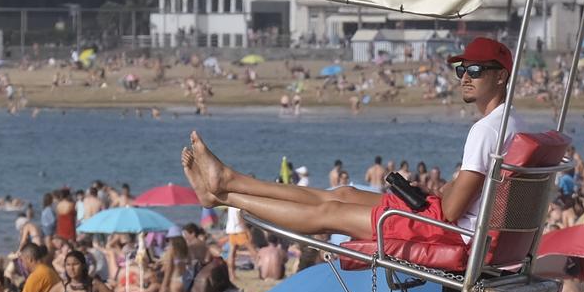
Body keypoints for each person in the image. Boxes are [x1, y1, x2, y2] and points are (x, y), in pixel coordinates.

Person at [180, 37, 521, 244]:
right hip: (456, 226)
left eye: (476, 71)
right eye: (463, 70)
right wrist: (446, 189)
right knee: (341, 193)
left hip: (446, 232)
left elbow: (452, 209)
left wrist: (446, 191)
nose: (465, 77)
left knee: (330, 211)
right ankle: (228, 181)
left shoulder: (486, 130)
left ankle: (225, 197)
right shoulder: (512, 124)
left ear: (501, 75)